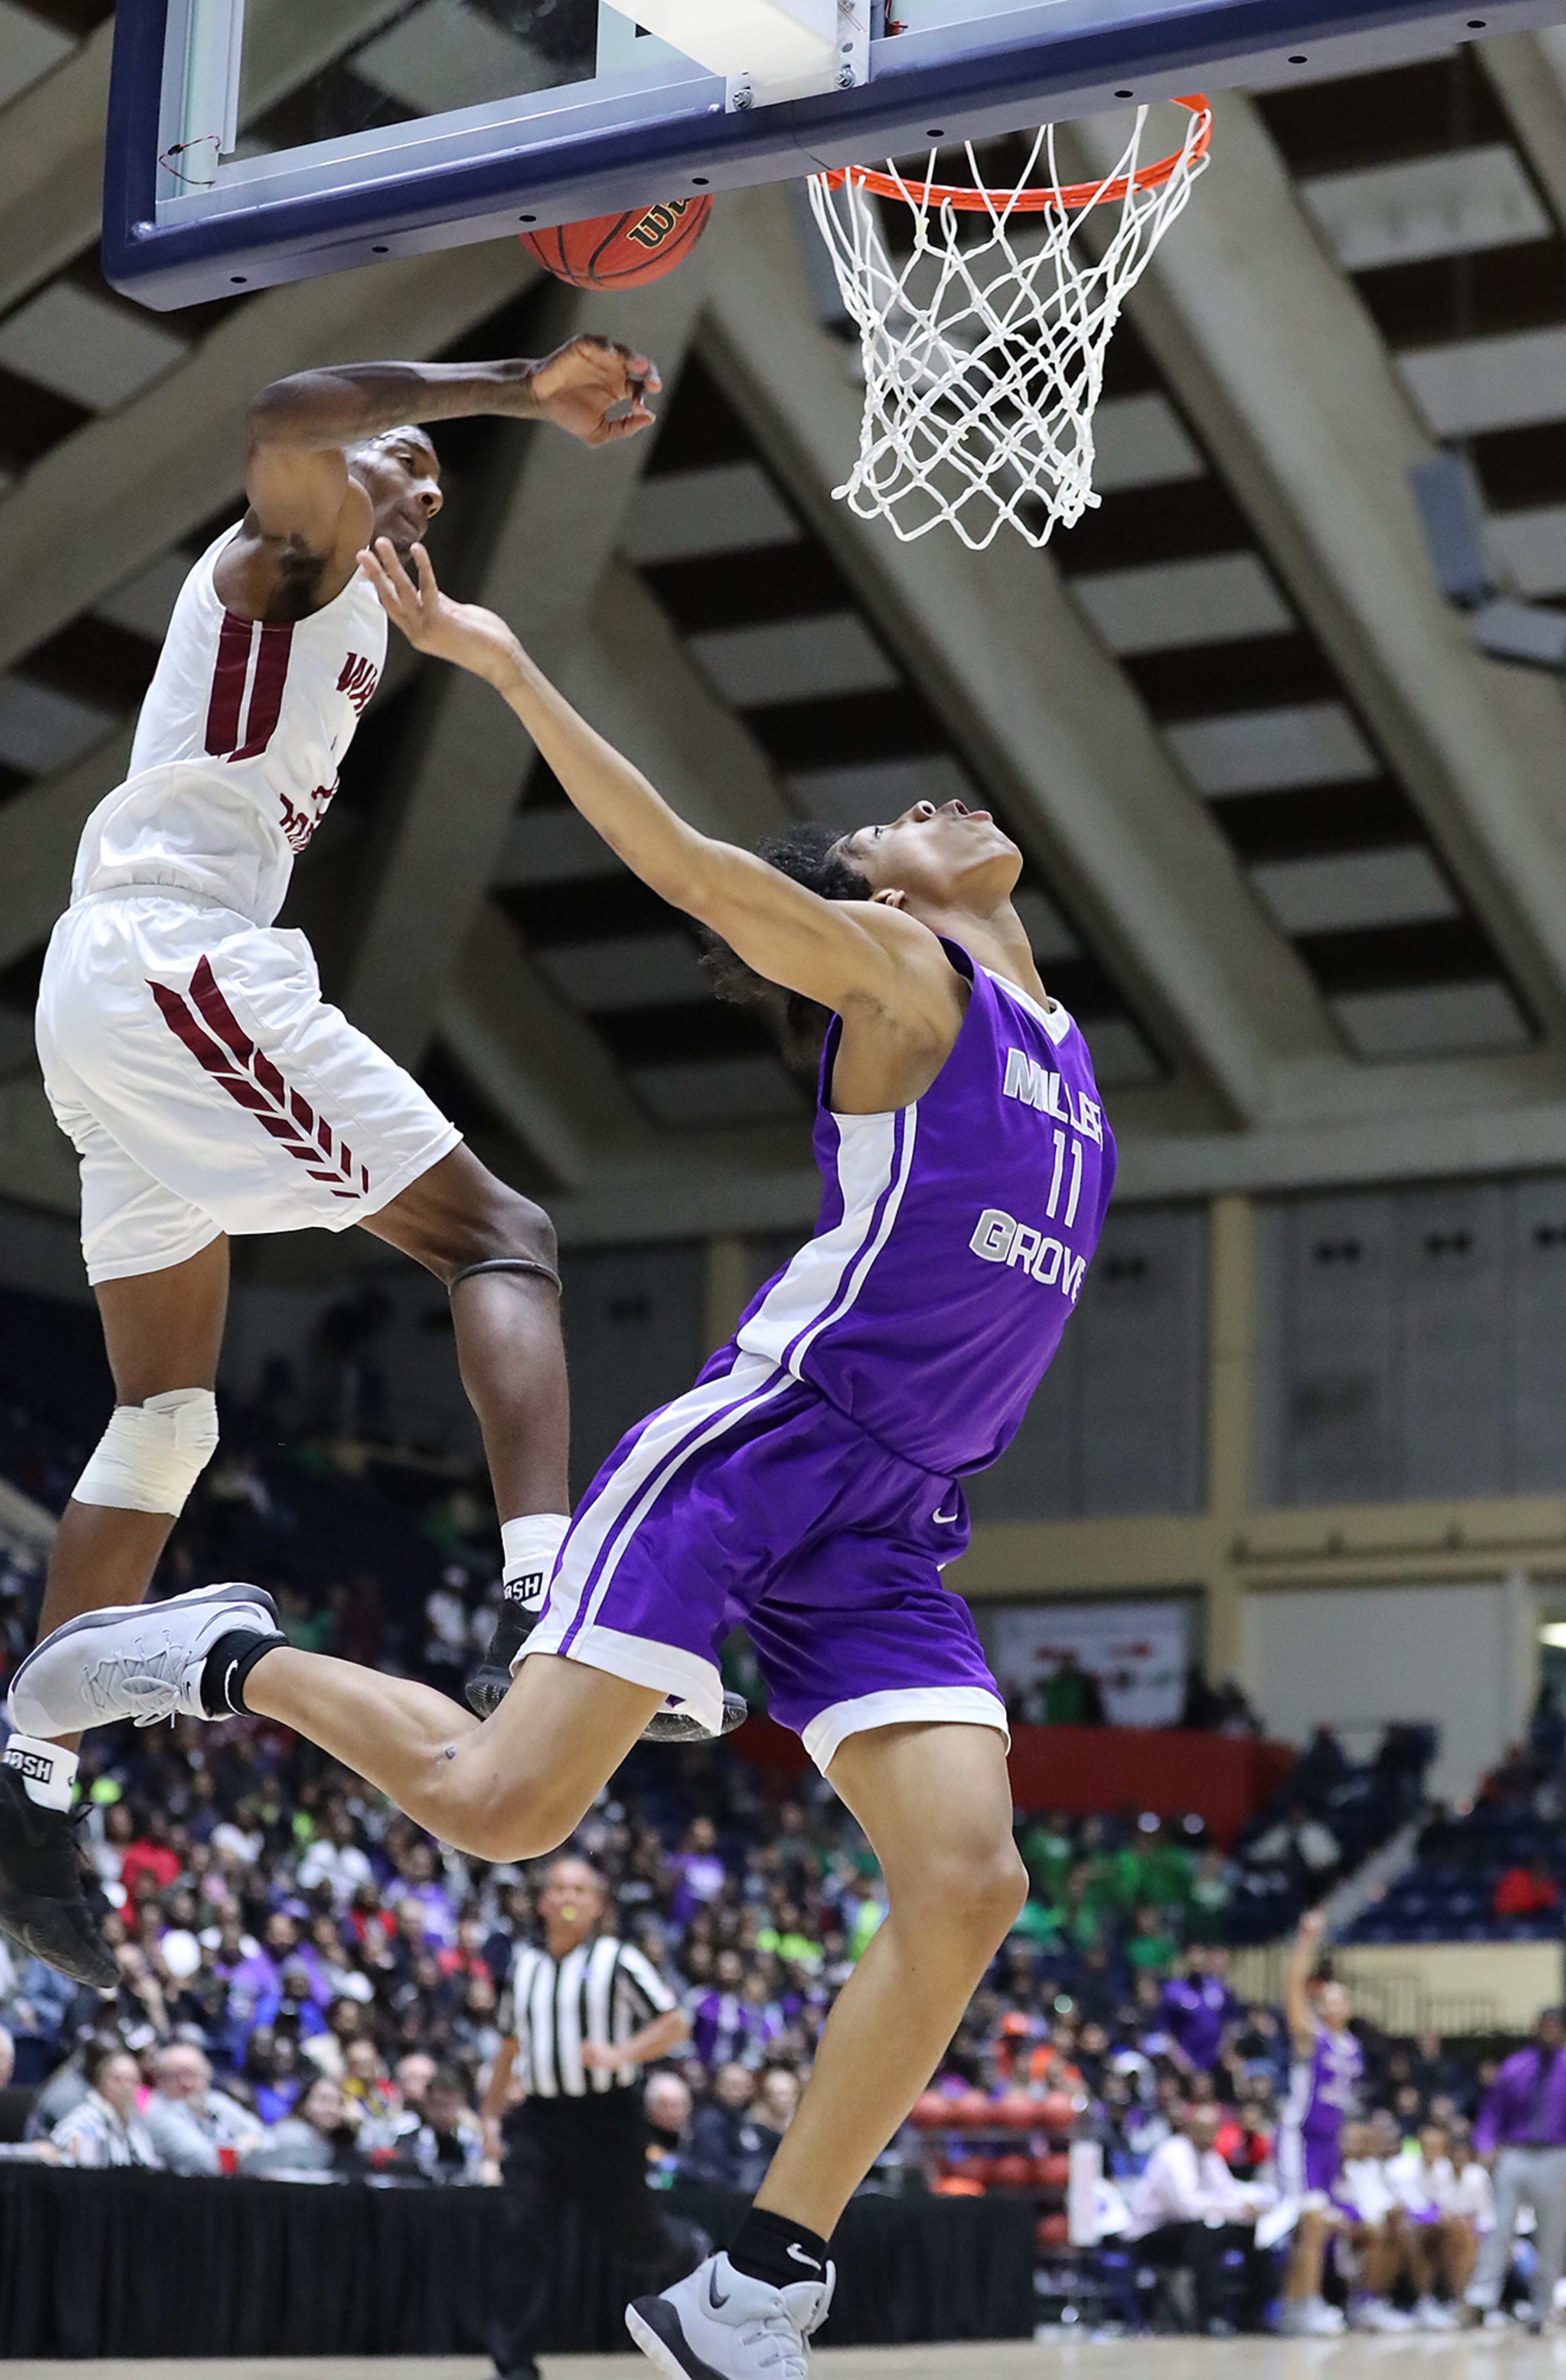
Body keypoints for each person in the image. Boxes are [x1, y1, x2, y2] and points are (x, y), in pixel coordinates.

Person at [9, 511, 1117, 2380]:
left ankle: (759, 2274)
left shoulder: (1059, 1036)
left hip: (896, 1520)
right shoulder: (902, 983)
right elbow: (686, 864)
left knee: (971, 1877)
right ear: (884, 893)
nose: (934, 801)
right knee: (513, 1808)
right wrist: (512, 664)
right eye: (897, 827)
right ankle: (222, 1648)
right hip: (763, 1451)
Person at [0, 327, 681, 1993]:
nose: (412, 469)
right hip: (176, 962)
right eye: (399, 456)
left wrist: (449, 577)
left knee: (169, 1410)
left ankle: (24, 1774)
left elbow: (355, 452)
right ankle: (549, 1587)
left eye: (430, 476)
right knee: (496, 1236)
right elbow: (290, 407)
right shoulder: (283, 560)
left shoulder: (375, 610)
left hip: (129, 989)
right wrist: (522, 386)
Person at [478, 1856, 698, 2380]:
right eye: (557, 1887)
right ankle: (514, 2366)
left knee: (634, 2240)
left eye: (579, 1887)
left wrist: (620, 2054)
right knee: (521, 2233)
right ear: (542, 1901)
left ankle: (690, 2248)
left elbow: (675, 2023)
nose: (567, 1896)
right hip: (539, 2121)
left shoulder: (618, 1960)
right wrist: (489, 2116)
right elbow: (510, 2045)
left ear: (598, 1904)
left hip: (608, 2119)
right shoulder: (524, 1965)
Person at [1274, 1911, 1363, 2336]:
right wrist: (1306, 1940)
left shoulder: (1353, 2048)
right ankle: (1304, 2306)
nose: (1331, 2003)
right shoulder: (1313, 2036)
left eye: (1338, 1998)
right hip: (1301, 2140)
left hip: (1329, 2146)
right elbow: (1293, 1985)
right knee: (1310, 2225)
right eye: (1325, 1998)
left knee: (1322, 2229)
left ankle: (1298, 2306)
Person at [1124, 2101, 1270, 2331]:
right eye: (1203, 2129)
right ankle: (1207, 2317)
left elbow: (1229, 2194)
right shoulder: (1173, 2153)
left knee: (1252, 2231)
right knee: (1205, 2233)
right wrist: (1234, 2209)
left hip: (1188, 2232)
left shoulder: (1211, 2157)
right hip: (1150, 2236)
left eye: (1213, 2129)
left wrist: (1249, 2208)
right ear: (1190, 2128)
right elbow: (1186, 2207)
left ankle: (1254, 2316)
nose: (1208, 2136)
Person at [1464, 2005, 1566, 2331]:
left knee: (1551, 2237)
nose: (1547, 2032)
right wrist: (1485, 2144)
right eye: (1543, 2026)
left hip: (1555, 2155)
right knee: (1499, 2227)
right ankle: (1480, 2300)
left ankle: (1540, 2310)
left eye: (1554, 2027)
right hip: (1515, 2154)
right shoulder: (1517, 2066)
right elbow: (1493, 2112)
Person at [143, 2038, 259, 2174]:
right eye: (176, 2076)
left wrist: (233, 2151)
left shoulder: (217, 2102)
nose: (187, 2084)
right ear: (160, 2080)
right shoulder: (158, 2113)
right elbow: (206, 2162)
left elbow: (266, 2139)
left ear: (207, 2076)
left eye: (193, 2074)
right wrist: (245, 2145)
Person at [51, 2040, 160, 2168]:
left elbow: (151, 2165)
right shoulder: (87, 2118)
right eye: (118, 2080)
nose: (126, 2087)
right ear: (100, 2082)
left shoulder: (135, 2126)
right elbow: (62, 2149)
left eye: (132, 2081)